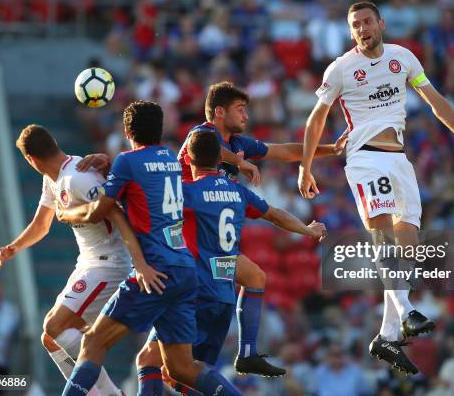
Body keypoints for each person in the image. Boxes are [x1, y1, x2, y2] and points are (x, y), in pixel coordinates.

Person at [80, 81, 347, 377]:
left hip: (207, 236)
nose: (246, 116)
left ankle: (246, 354)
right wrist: (240, 164)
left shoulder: (238, 143)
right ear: (219, 112)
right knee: (164, 362)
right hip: (181, 234)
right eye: (240, 109)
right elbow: (212, 149)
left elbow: (283, 150)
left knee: (255, 278)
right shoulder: (201, 135)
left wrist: (330, 150)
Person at [298, 2, 454, 374]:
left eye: (367, 21)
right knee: (383, 234)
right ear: (351, 31)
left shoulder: (403, 58)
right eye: (355, 25)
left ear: (381, 23)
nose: (362, 28)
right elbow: (315, 121)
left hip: (400, 162)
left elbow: (434, 101)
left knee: (407, 249)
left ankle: (386, 337)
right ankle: (405, 312)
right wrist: (305, 169)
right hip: (366, 159)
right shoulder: (340, 68)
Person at [56, 101, 243, 396]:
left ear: (128, 130)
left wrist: (64, 213)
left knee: (93, 342)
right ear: (161, 129)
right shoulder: (169, 157)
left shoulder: (127, 163)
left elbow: (97, 211)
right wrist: (114, 165)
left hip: (155, 270)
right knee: (180, 367)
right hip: (184, 271)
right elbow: (147, 183)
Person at [134, 130, 327, 395]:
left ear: (188, 160)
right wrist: (308, 230)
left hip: (193, 296)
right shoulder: (238, 192)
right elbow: (275, 215)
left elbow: (147, 206)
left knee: (151, 361)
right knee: (192, 378)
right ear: (219, 158)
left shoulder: (187, 192)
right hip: (224, 299)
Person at [0, 124, 148, 395]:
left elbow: (115, 212)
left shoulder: (78, 176)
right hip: (88, 263)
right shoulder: (52, 178)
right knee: (52, 338)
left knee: (55, 327)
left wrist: (139, 261)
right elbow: (42, 224)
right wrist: (14, 247)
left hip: (109, 264)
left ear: (31, 159)